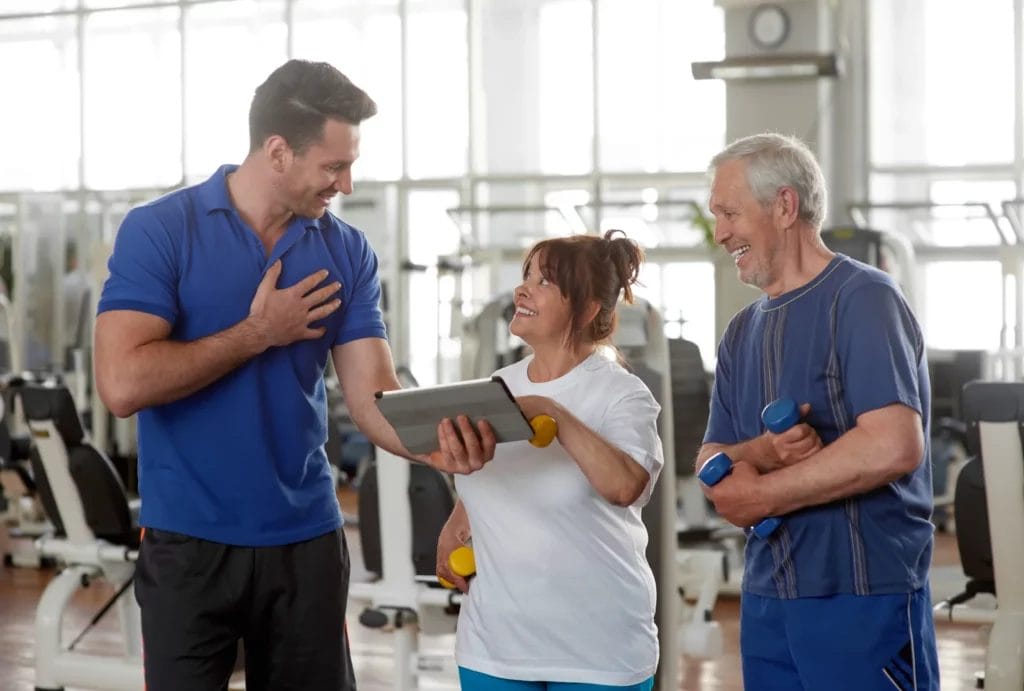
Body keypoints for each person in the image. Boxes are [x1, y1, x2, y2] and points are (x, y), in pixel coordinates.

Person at [93, 59, 495, 691]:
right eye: (333, 166)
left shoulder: (346, 249)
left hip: (306, 540)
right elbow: (121, 385)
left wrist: (451, 445)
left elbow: (374, 398)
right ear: (277, 151)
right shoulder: (162, 230)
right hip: (190, 541)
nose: (347, 182)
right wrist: (258, 333)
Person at [697, 132, 939, 690]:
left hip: (861, 593)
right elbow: (715, 453)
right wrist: (759, 453)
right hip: (768, 595)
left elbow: (893, 443)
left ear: (785, 206)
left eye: (730, 212)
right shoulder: (741, 331)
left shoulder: (864, 299)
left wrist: (761, 491)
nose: (720, 233)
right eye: (716, 215)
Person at [435, 229, 664, 691]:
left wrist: (552, 413)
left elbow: (625, 488)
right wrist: (457, 521)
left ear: (587, 310)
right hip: (494, 646)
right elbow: (492, 472)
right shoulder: (500, 382)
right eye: (526, 276)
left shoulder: (621, 393)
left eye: (544, 282)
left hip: (598, 652)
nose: (523, 289)